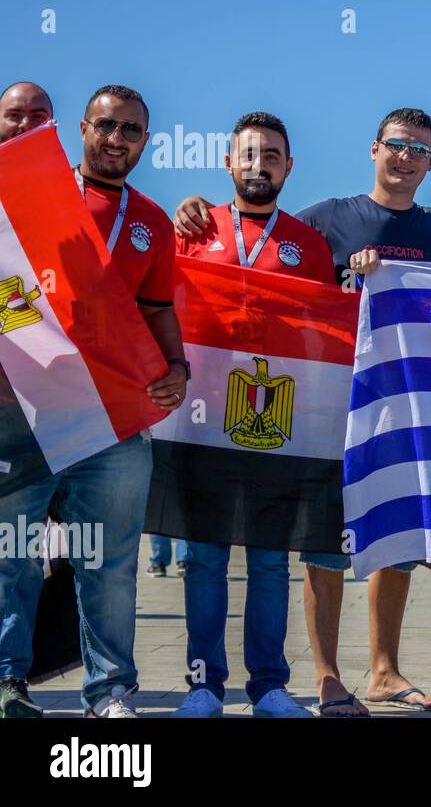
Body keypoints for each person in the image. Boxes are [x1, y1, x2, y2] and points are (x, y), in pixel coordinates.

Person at [175, 106, 431, 716]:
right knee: (263, 547)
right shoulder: (320, 225)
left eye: (419, 148)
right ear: (373, 149)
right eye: (395, 143)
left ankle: (367, 674)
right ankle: (291, 680)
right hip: (288, 408)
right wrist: (187, 211)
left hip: (391, 406)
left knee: (381, 540)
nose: (405, 155)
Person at [0, 85, 188, 719]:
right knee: (14, 557)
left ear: (144, 141)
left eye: (131, 131)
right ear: (80, 129)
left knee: (108, 565)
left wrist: (179, 366)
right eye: (106, 127)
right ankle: (7, 685)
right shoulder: (19, 204)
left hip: (112, 419)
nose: (116, 140)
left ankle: (110, 694)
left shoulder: (153, 222)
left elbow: (158, 310)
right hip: (19, 412)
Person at [170, 111, 334, 718]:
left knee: (269, 560)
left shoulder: (308, 244)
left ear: (288, 167)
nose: (258, 164)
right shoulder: (191, 228)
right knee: (205, 558)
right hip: (201, 419)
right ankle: (203, 685)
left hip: (278, 422)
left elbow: (326, 336)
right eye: (248, 154)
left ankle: (268, 684)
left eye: (271, 155)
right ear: (228, 162)